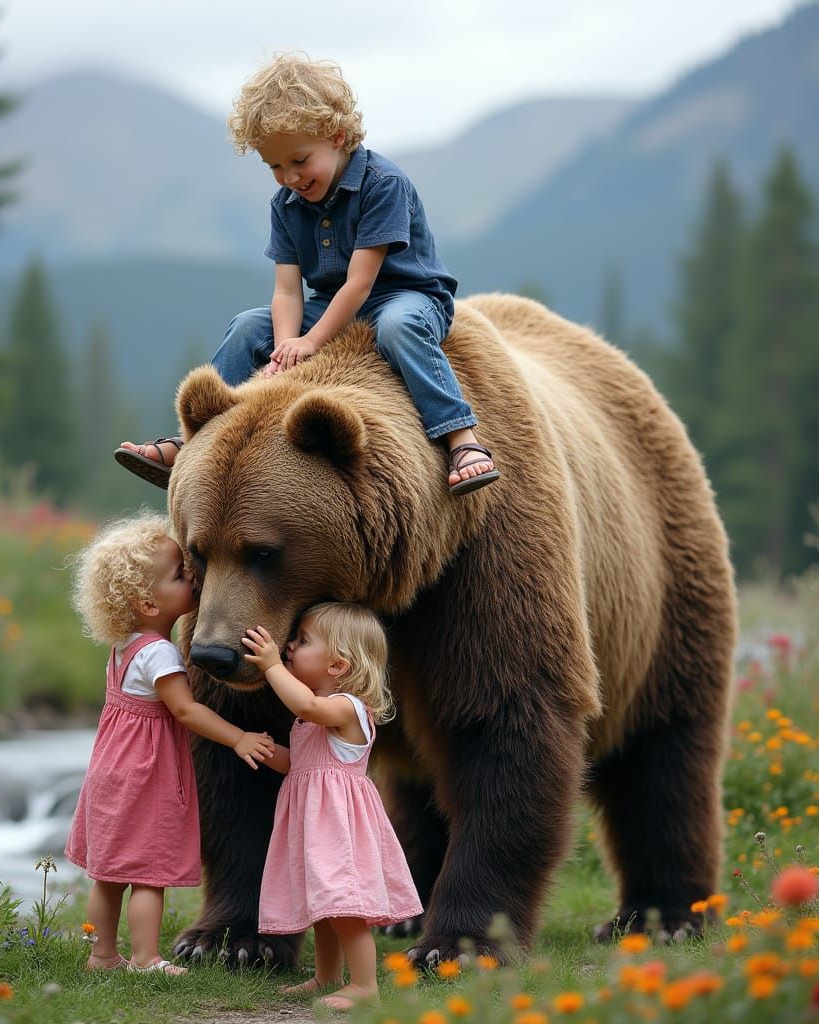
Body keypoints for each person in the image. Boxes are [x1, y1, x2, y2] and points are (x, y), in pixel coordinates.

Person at [116, 52, 500, 497]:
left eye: (299, 160)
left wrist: (312, 342)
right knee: (246, 327)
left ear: (336, 136)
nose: (288, 177)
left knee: (399, 328)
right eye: (274, 166)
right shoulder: (285, 205)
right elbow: (286, 290)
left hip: (403, 295)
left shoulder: (383, 184)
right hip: (325, 303)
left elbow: (361, 282)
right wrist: (285, 349)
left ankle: (461, 439)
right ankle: (191, 442)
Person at [64, 511, 275, 974]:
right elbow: (185, 709)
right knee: (146, 874)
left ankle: (102, 955)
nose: (196, 580)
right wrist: (238, 737)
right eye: (182, 574)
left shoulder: (124, 648)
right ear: (147, 602)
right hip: (145, 771)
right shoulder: (161, 654)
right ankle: (145, 958)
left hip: (110, 768)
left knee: (109, 874)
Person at [241, 603, 422, 1012]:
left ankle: (365, 984)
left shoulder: (345, 708)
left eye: (303, 641)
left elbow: (306, 705)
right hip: (313, 824)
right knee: (324, 905)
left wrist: (272, 666)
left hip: (338, 828)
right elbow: (300, 764)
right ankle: (327, 976)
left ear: (338, 664)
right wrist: (269, 752)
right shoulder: (312, 719)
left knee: (344, 907)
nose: (289, 646)